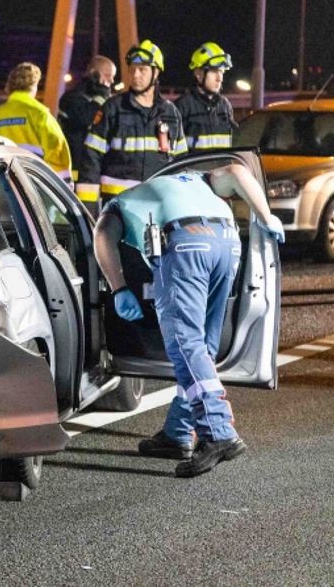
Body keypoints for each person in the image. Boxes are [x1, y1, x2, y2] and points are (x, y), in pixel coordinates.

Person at [93, 164, 285, 477]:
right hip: (226, 240)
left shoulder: (121, 202)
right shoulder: (198, 180)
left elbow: (102, 234)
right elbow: (238, 170)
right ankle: (178, 432)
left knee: (184, 341)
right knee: (202, 347)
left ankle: (217, 431)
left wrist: (118, 288)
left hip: (184, 241)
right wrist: (266, 218)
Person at [79, 40, 187, 215]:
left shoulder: (170, 113)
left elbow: (180, 162)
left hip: (158, 206)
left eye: (142, 69)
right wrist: (88, 210)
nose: (135, 75)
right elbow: (91, 159)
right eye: (132, 69)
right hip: (117, 207)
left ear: (156, 72)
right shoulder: (113, 108)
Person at [0, 62, 73, 184]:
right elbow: (57, 153)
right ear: (34, 86)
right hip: (32, 186)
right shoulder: (40, 114)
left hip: (1, 187)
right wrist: (64, 186)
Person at [58, 55, 116, 180]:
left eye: (113, 76)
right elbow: (85, 118)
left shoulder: (104, 100)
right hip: (74, 170)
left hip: (95, 168)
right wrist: (102, 97)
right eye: (107, 75)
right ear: (94, 75)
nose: (111, 81)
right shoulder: (72, 98)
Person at [176, 42, 237, 153]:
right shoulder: (182, 106)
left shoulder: (225, 105)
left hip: (221, 170)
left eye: (222, 71)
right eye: (214, 71)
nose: (220, 78)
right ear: (199, 74)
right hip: (192, 170)